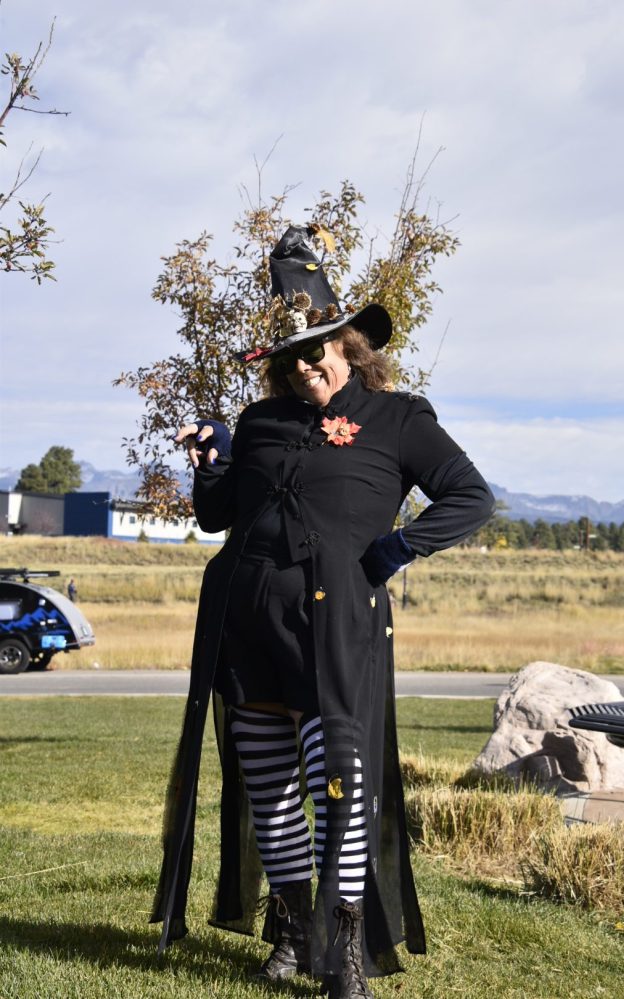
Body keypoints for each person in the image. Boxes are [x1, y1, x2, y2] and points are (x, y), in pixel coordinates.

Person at [151, 224, 495, 998]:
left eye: (318, 351)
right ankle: (295, 930)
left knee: (340, 781)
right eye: (291, 357)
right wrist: (210, 459)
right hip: (248, 628)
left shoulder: (399, 417)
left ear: (348, 342)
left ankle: (341, 950)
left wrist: (396, 550)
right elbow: (218, 516)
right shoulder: (263, 422)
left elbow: (471, 498)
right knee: (270, 785)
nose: (305, 368)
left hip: (336, 632)